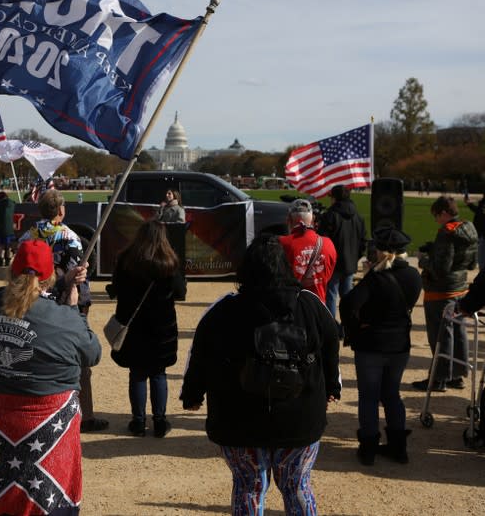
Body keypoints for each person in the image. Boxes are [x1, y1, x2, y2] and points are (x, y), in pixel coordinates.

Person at [180, 234, 341, 515]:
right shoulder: (312, 305)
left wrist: (192, 394)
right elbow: (331, 347)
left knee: (248, 487)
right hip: (299, 417)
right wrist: (331, 387)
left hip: (239, 419)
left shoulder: (224, 309)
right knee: (297, 486)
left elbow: (200, 355)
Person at [0, 239, 100, 516]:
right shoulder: (62, 317)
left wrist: (61, 285)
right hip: (47, 430)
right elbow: (92, 353)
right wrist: (73, 310)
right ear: (49, 276)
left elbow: (26, 302)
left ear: (11, 271)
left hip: (0, 425)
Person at [19, 189, 108, 433]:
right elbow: (76, 275)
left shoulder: (27, 236)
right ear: (61, 210)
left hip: (34, 300)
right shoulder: (70, 236)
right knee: (80, 359)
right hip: (66, 301)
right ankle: (85, 415)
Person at [340, 227, 422, 465]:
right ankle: (398, 447)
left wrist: (355, 329)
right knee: (392, 394)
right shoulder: (414, 276)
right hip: (399, 344)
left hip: (372, 344)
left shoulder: (375, 279)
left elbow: (348, 305)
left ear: (382, 251)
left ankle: (368, 448)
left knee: (368, 396)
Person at [110, 219, 186, 438]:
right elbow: (180, 292)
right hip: (161, 327)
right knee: (158, 374)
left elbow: (116, 289)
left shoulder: (126, 259)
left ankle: (138, 421)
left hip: (134, 326)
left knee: (137, 374)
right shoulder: (169, 262)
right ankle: (160, 422)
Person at [413, 196, 478, 392]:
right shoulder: (469, 228)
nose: (436, 220)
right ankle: (456, 375)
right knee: (458, 332)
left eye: (436, 216)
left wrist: (423, 260)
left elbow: (440, 269)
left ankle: (439, 378)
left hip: (440, 291)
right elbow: (471, 263)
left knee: (440, 334)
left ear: (443, 213)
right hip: (460, 287)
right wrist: (435, 250)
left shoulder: (446, 233)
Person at [317, 185, 367, 317]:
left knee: (331, 295)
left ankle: (332, 328)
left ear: (335, 198)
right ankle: (348, 326)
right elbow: (363, 242)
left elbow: (322, 241)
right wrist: (355, 257)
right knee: (347, 297)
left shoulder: (330, 216)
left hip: (333, 263)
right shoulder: (358, 217)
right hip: (350, 262)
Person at [279, 198, 337, 303]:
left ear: (289, 219)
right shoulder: (328, 244)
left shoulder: (282, 243)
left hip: (292, 307)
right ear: (313, 219)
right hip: (319, 308)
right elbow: (327, 276)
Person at [464, 191, 485, 269]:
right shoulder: (483, 201)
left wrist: (469, 204)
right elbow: (479, 211)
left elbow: (480, 212)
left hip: (481, 232)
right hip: (479, 231)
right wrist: (469, 204)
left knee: (481, 259)